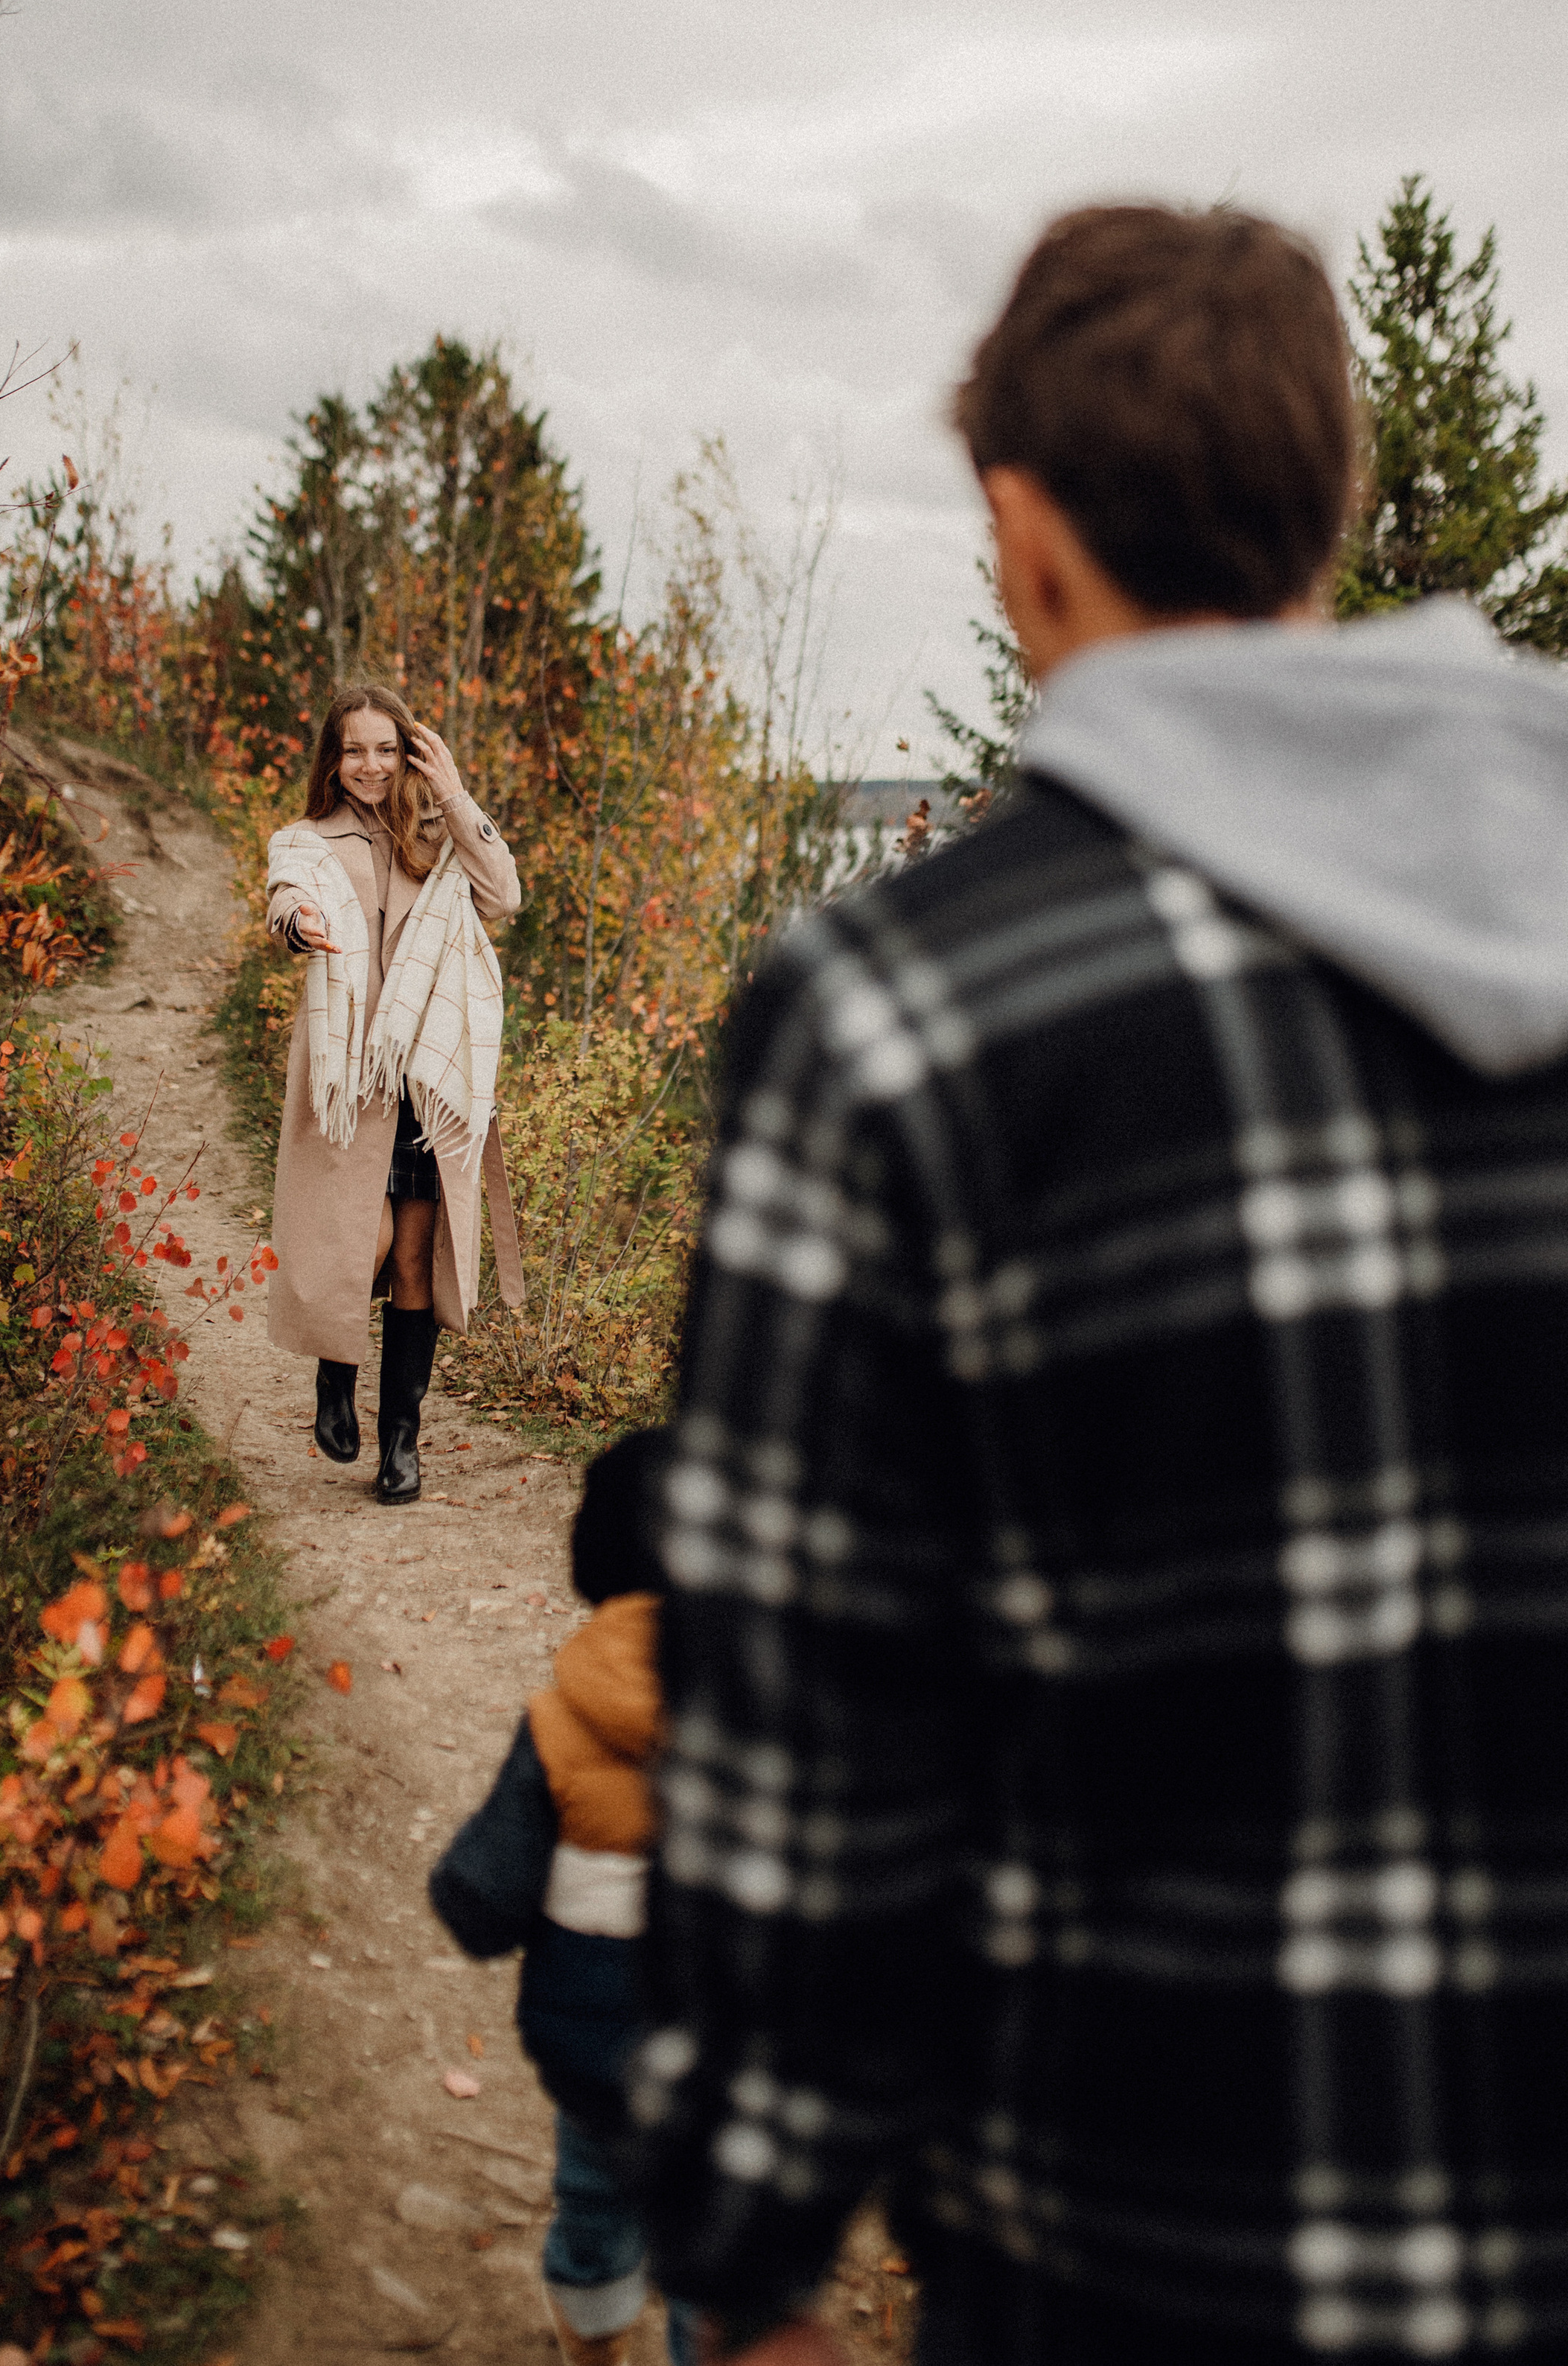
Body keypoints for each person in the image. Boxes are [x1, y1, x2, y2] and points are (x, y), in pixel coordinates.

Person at [633, 204, 1568, 2365]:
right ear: (1324, 508)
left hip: (1148, 2265)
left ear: (1022, 532)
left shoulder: (899, 1017)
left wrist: (751, 2244)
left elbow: (803, 1733)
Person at [430, 1430, 696, 2366]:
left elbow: (482, 1896)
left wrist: (466, 1898)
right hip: (738, 2063)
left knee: (595, 2208)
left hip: (599, 2062)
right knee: (719, 2246)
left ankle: (594, 2343)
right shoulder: (784, 1736)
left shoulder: (557, 1732)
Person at [264, 684, 523, 1504]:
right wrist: (298, 925)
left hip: (424, 1075)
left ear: (406, 752)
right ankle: (335, 1374)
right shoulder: (307, 840)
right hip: (347, 1079)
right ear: (331, 760)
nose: (370, 767)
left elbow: (505, 896)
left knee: (415, 1252)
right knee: (361, 1238)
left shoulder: (439, 835)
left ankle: (401, 1444)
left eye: (385, 749)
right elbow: (284, 901)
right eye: (354, 750)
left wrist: (452, 791)